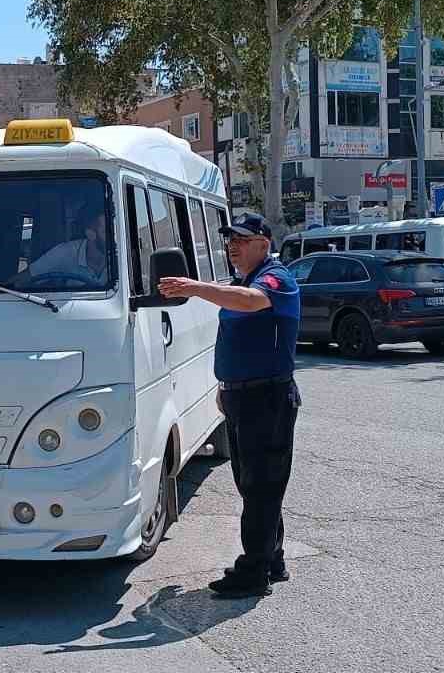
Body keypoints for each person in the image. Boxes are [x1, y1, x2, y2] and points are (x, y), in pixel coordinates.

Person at [158, 212, 301, 600]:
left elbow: (253, 302)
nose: (231, 246)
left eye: (240, 239)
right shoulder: (244, 280)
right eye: (229, 240)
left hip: (267, 397)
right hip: (243, 395)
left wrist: (195, 287)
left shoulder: (274, 279)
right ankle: (271, 558)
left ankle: (253, 572)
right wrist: (226, 387)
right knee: (254, 484)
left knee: (261, 486)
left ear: (263, 244)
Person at [12, 205, 110, 286]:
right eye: (106, 231)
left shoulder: (121, 252)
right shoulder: (65, 252)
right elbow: (22, 279)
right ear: (90, 234)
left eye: (113, 230)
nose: (113, 237)